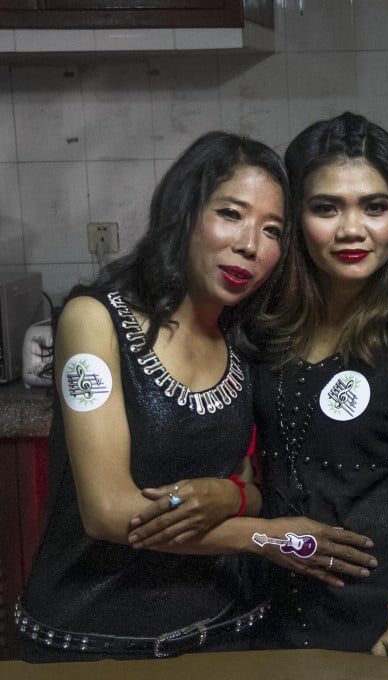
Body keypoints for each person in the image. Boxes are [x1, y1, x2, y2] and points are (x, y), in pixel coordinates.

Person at [14, 132, 290, 661]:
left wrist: (230, 496)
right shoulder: (94, 321)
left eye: (272, 230)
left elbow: (254, 484)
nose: (251, 244)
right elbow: (109, 511)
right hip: (93, 643)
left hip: (227, 634)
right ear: (184, 213)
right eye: (231, 214)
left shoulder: (246, 340)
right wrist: (263, 537)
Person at [247, 112, 388, 659]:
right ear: (295, 221)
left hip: (381, 625)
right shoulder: (262, 329)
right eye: (326, 207)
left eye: (374, 207)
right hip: (267, 614)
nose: (352, 229)